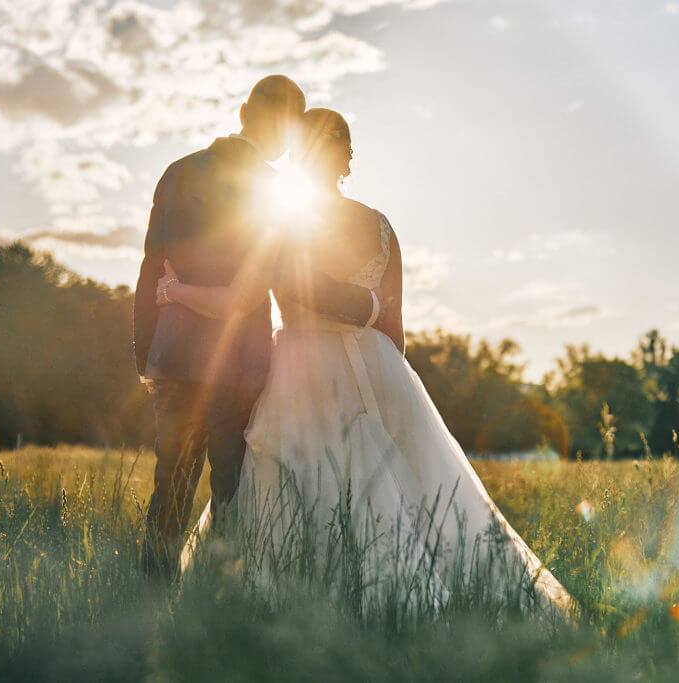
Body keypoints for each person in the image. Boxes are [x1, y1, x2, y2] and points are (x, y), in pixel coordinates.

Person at [156, 108, 575, 614]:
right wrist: (387, 380)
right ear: (346, 161)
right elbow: (395, 328)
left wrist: (176, 290)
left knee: (298, 482)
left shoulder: (280, 227)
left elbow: (249, 299)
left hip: (302, 368)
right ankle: (410, 597)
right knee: (402, 486)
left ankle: (290, 606)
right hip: (379, 366)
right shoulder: (380, 226)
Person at [132, 77, 384, 577]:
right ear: (290, 136)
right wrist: (369, 305)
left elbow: (149, 268)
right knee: (233, 491)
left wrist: (146, 357)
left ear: (244, 109)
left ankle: (152, 603)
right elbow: (287, 279)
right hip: (240, 366)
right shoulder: (276, 194)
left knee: (172, 485)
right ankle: (219, 600)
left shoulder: (178, 172)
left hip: (176, 358)